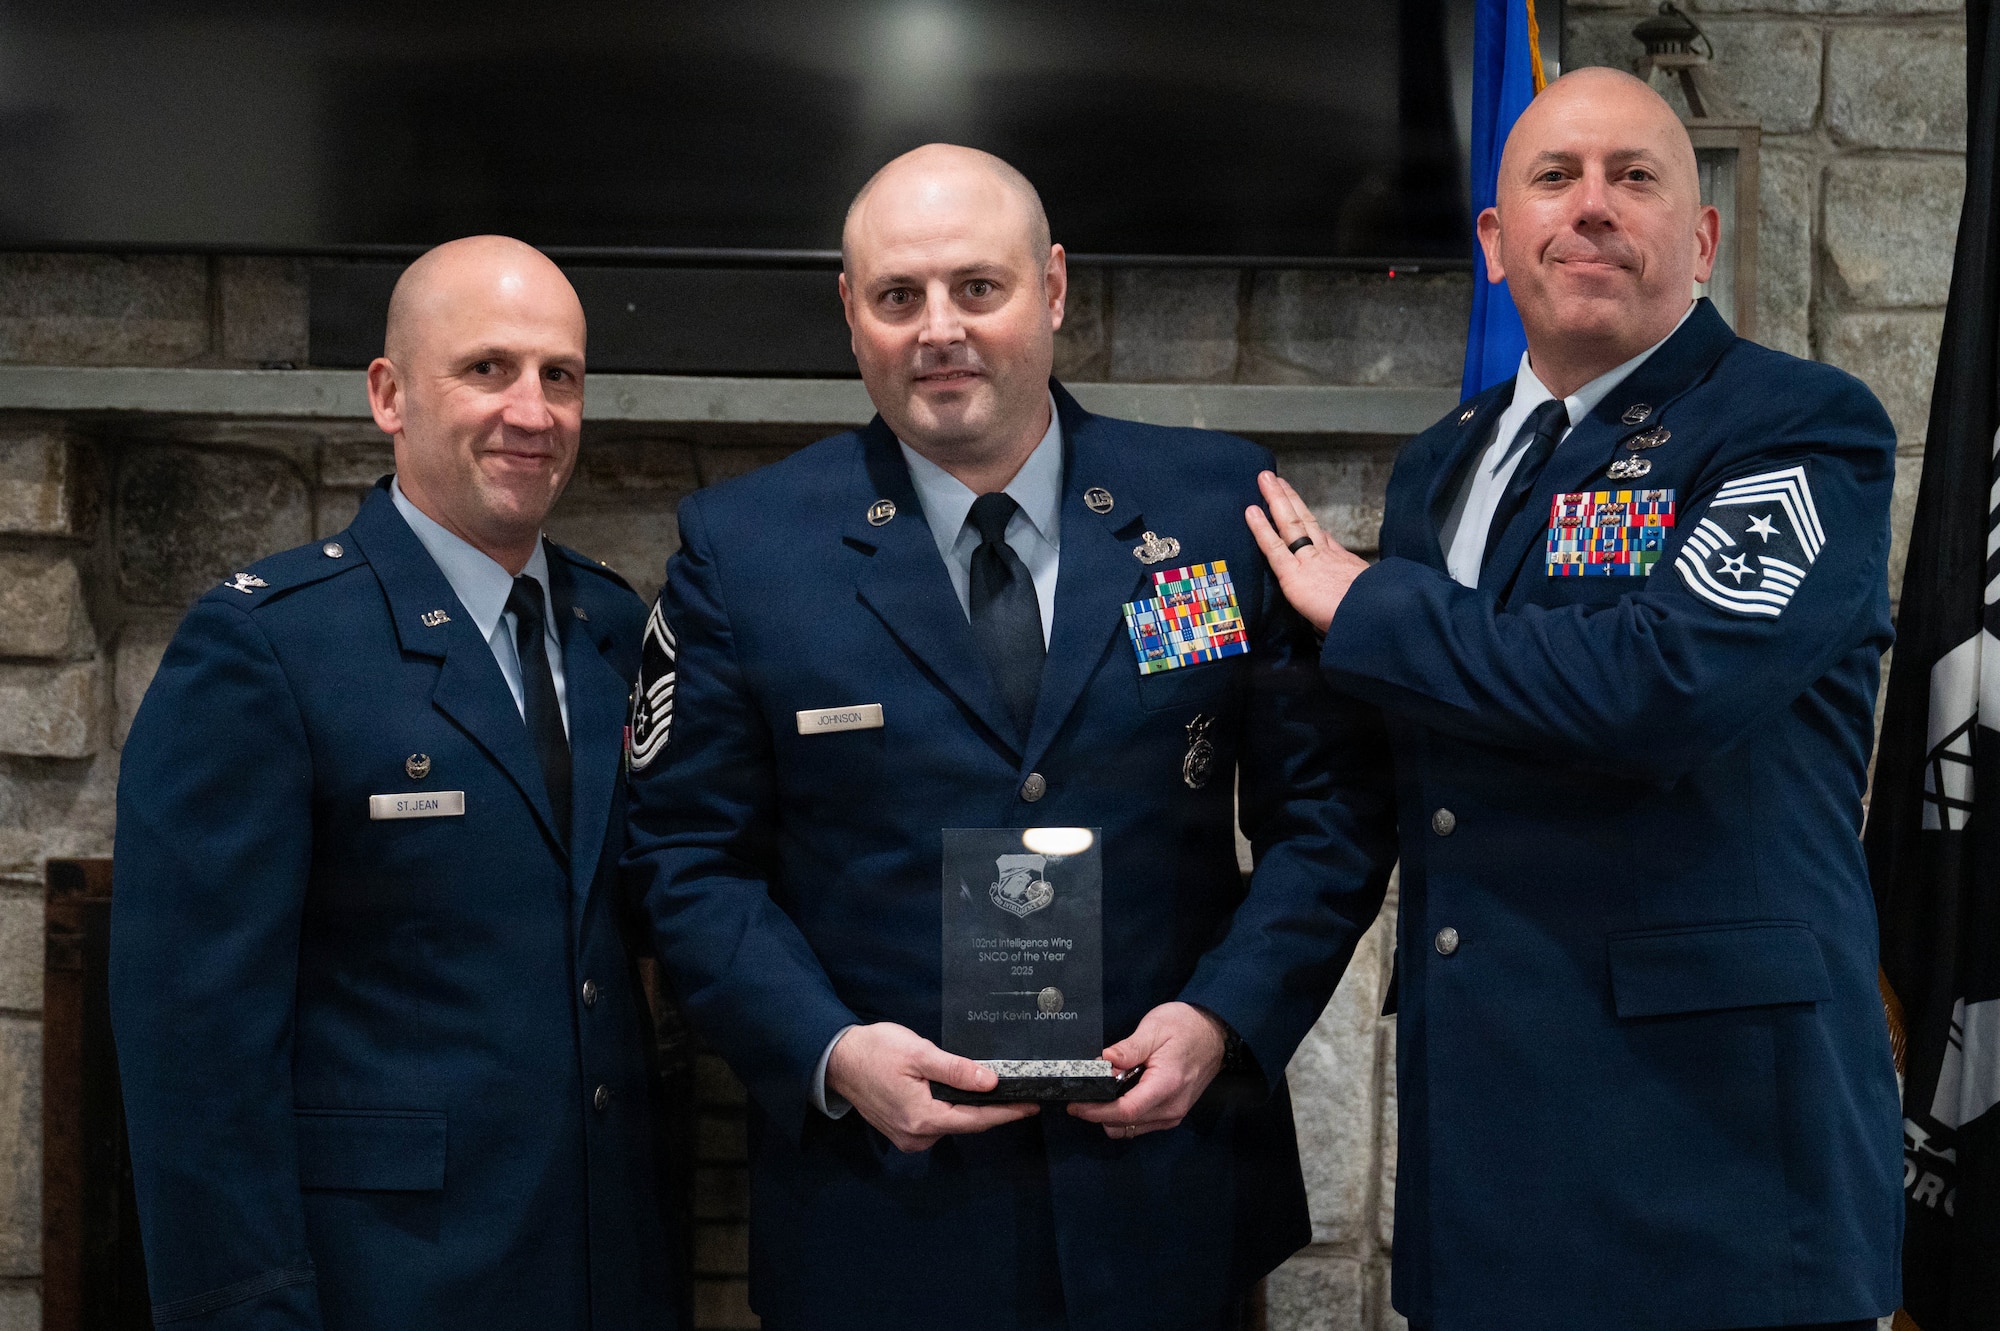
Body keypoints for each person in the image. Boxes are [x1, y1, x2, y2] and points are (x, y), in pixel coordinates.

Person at [623, 144, 1396, 1331]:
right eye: (898, 296)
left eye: (976, 287)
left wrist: (1225, 1017)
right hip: (882, 1216)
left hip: (1166, 1193)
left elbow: (1329, 814)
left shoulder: (1213, 507)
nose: (938, 329)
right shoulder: (747, 550)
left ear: (1054, 287)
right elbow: (683, 857)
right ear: (849, 311)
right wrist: (828, 1050)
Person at [1247, 68, 1903, 1331]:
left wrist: (1368, 605)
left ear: (1698, 236)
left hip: (1710, 1151)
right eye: (1553, 177)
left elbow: (1665, 685)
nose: (1590, 206)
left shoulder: (1794, 425)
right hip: (1486, 1149)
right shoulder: (1447, 457)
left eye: (1633, 176)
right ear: (1495, 245)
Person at [110, 236, 678, 1331]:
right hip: (385, 1279)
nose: (532, 408)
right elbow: (195, 1047)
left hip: (605, 1267)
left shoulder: (613, 630)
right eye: (488, 368)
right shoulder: (270, 646)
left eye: (559, 375)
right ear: (389, 393)